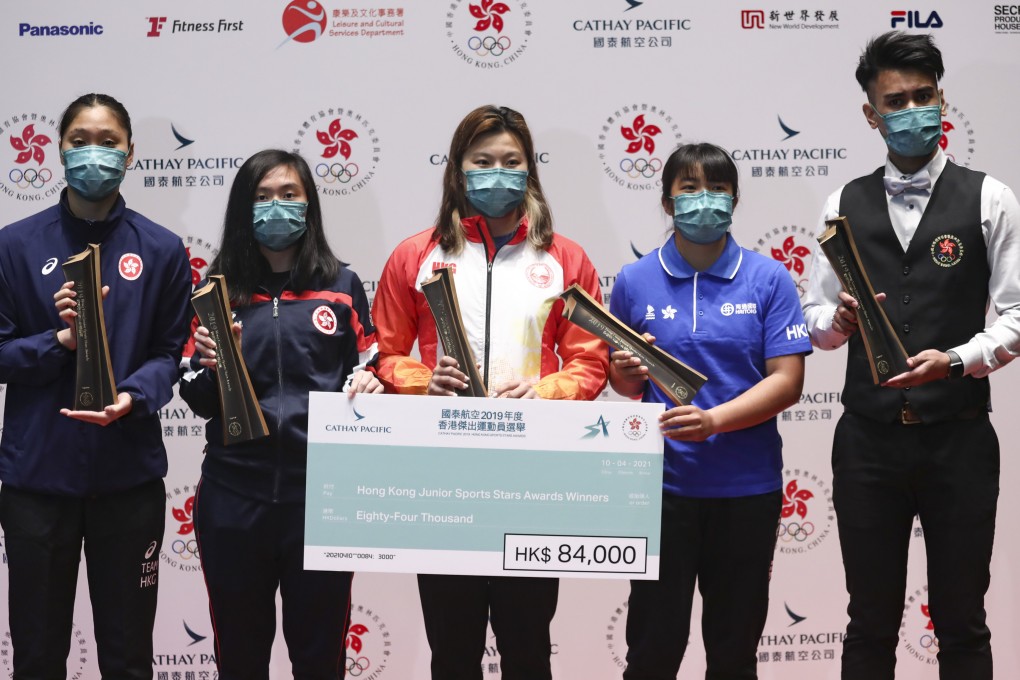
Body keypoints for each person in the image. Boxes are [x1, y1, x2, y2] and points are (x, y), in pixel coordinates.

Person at [802, 31, 1020, 680]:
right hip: (867, 442)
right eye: (896, 101)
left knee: (962, 624)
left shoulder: (990, 198)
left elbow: (1015, 315)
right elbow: (814, 319)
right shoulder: (843, 202)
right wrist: (835, 321)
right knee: (869, 623)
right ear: (871, 114)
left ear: (943, 98)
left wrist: (955, 360)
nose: (913, 111)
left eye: (924, 96)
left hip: (959, 438)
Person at [372, 105, 608, 680]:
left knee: (528, 648)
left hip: (532, 477)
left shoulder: (565, 258)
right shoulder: (414, 256)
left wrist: (545, 390)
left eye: (511, 161)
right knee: (452, 653)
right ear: (458, 169)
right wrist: (423, 381)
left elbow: (590, 360)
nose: (497, 173)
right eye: (483, 161)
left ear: (530, 170)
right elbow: (383, 353)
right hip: (440, 477)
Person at [0, 93, 192, 678]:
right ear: (59, 148)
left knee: (129, 654)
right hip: (38, 480)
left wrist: (133, 395)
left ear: (131, 153)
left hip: (127, 478)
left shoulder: (160, 250)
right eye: (80, 139)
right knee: (36, 653)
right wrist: (58, 343)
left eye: (108, 142)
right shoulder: (14, 245)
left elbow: (170, 354)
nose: (94, 153)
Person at [609, 142, 810, 679]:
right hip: (661, 490)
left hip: (746, 489)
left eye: (718, 189)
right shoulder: (633, 281)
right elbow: (625, 383)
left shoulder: (768, 279)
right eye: (690, 189)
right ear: (667, 201)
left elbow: (788, 382)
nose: (705, 201)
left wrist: (714, 421)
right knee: (651, 652)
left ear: (735, 199)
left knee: (734, 653)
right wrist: (624, 375)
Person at [179, 149, 380, 679]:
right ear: (243, 208)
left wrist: (371, 381)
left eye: (289, 195)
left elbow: (372, 365)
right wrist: (214, 366)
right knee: (240, 659)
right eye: (262, 197)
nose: (276, 207)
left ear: (309, 204)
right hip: (233, 498)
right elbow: (194, 395)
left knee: (320, 660)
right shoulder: (213, 290)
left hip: (320, 500)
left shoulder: (341, 286)